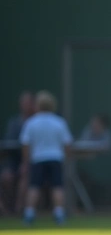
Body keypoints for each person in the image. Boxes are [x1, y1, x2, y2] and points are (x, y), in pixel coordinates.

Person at [20, 91, 73, 225]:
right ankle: (59, 214)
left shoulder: (31, 123)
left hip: (37, 159)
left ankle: (29, 214)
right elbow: (67, 144)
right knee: (57, 187)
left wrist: (27, 161)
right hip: (55, 159)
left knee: (34, 187)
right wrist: (65, 158)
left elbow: (25, 144)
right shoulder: (59, 122)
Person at [1, 91, 34, 215]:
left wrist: (26, 163)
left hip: (33, 161)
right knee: (6, 177)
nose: (25, 105)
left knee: (25, 177)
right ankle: (6, 209)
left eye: (28, 103)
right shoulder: (14, 122)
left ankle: (19, 209)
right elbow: (9, 143)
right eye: (23, 103)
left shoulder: (36, 121)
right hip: (14, 160)